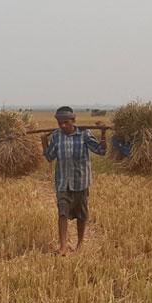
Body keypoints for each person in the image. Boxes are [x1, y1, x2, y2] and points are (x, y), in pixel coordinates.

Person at [43, 106, 107, 255]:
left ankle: (80, 243)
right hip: (63, 182)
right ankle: (63, 246)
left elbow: (101, 151)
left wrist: (103, 132)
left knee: (81, 215)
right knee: (62, 213)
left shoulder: (85, 134)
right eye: (60, 123)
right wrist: (44, 141)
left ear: (73, 121)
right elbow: (49, 157)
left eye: (66, 122)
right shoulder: (57, 136)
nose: (63, 126)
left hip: (81, 182)